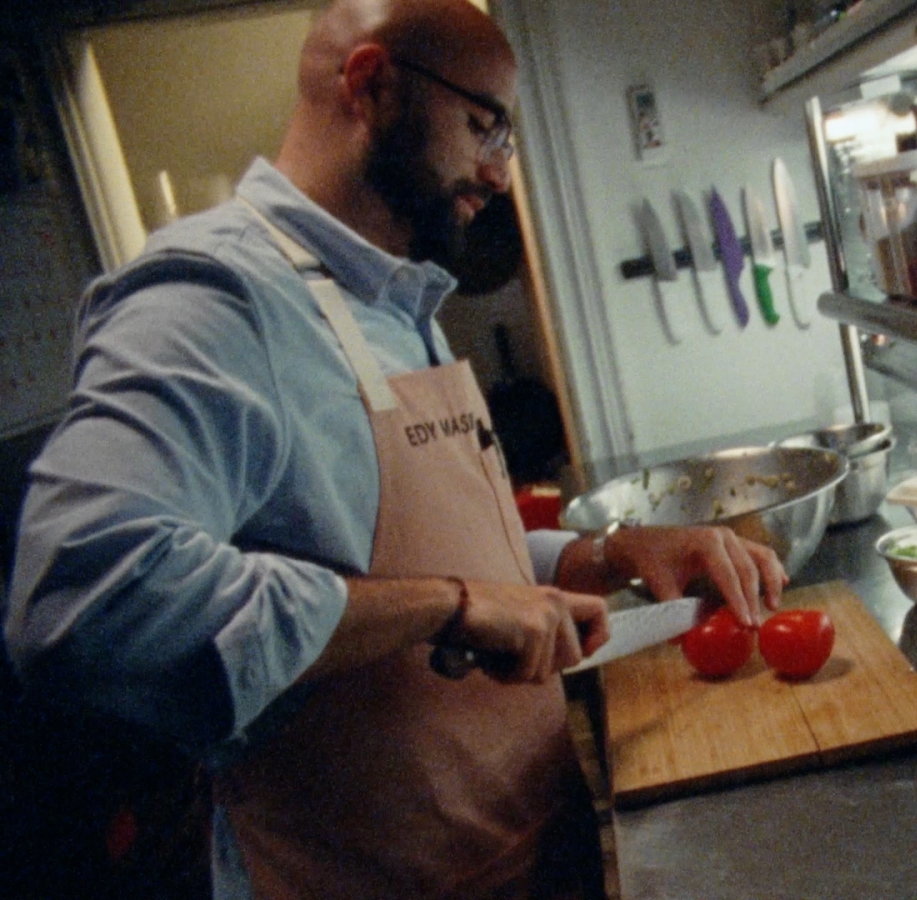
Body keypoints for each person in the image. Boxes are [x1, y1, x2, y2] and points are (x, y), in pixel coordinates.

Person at [3, 1, 786, 898]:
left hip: (525, 851)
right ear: (372, 84)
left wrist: (604, 555)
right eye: (484, 126)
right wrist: (446, 606)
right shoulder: (210, 299)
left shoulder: (392, 297)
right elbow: (80, 601)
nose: (498, 174)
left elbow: (395, 547)